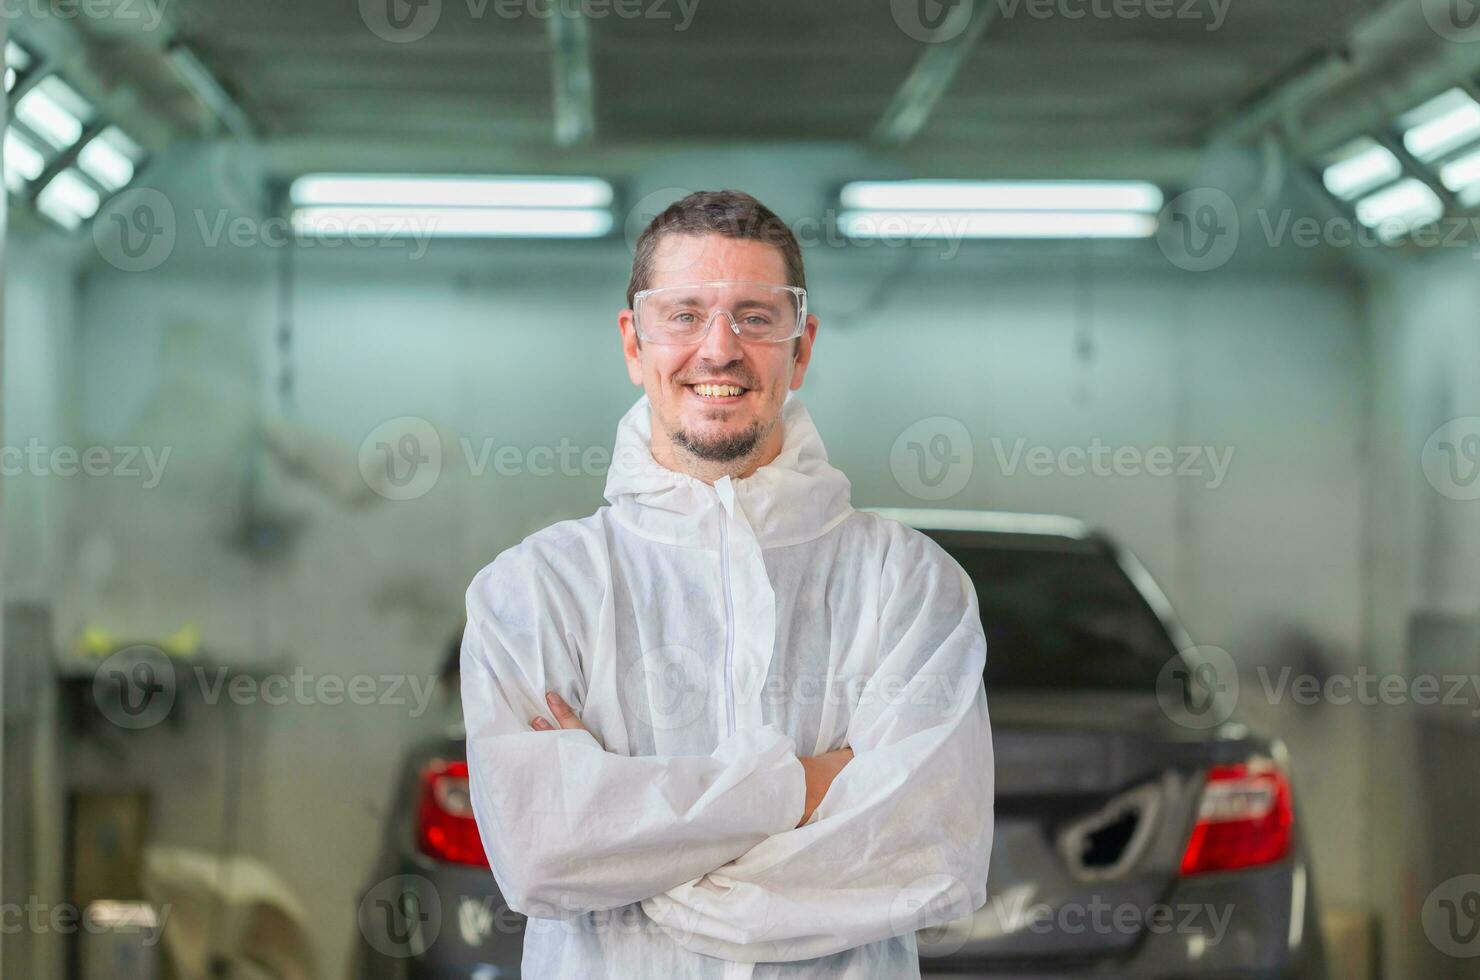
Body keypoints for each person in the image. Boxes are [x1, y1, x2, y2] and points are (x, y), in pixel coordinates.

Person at [460, 190, 993, 978]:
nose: (718, 349)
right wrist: (807, 784)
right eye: (682, 315)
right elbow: (543, 853)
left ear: (801, 346)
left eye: (755, 315)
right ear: (633, 343)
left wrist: (634, 848)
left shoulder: (910, 584)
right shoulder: (533, 591)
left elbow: (930, 845)